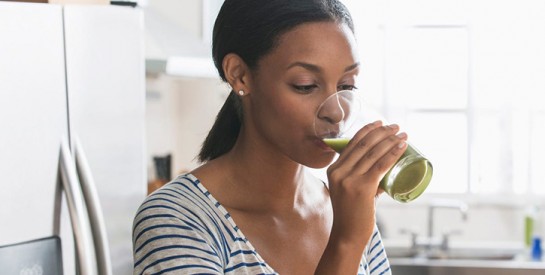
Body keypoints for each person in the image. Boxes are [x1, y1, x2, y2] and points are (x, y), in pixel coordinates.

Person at [133, 0, 407, 274]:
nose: (336, 112)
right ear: (239, 76)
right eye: (306, 85)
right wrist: (346, 243)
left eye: (346, 85)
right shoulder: (178, 218)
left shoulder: (347, 209)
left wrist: (353, 229)